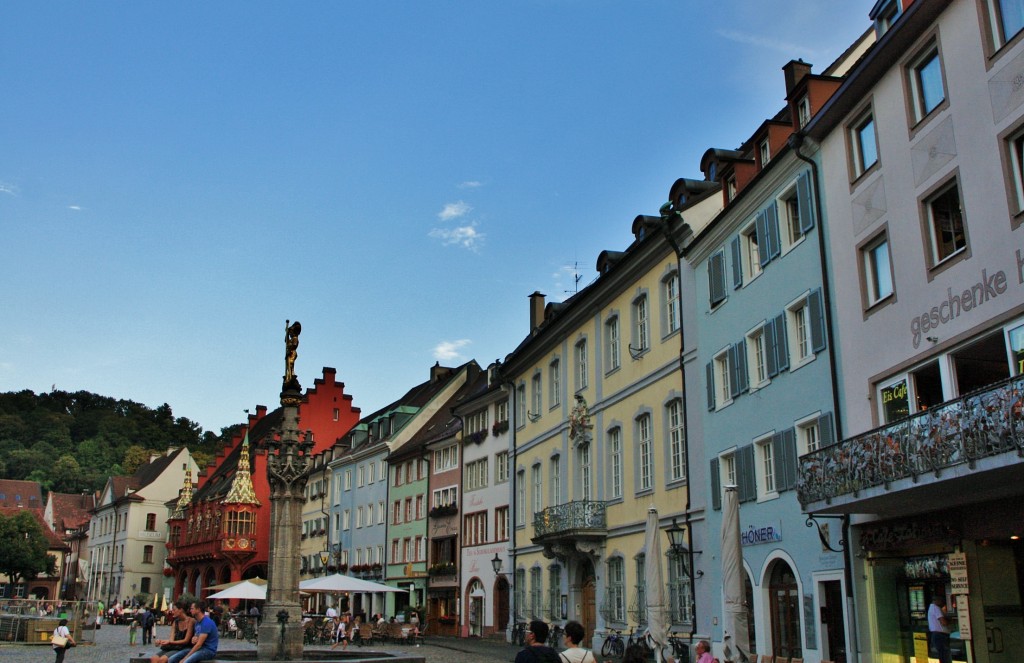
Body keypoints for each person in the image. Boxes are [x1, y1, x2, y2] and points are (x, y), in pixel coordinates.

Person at [928, 595, 952, 663]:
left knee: (942, 655)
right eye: (941, 601)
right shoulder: (936, 608)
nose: (942, 603)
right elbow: (943, 622)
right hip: (940, 635)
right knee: (945, 655)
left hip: (936, 635)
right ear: (937, 601)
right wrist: (950, 621)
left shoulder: (931, 608)